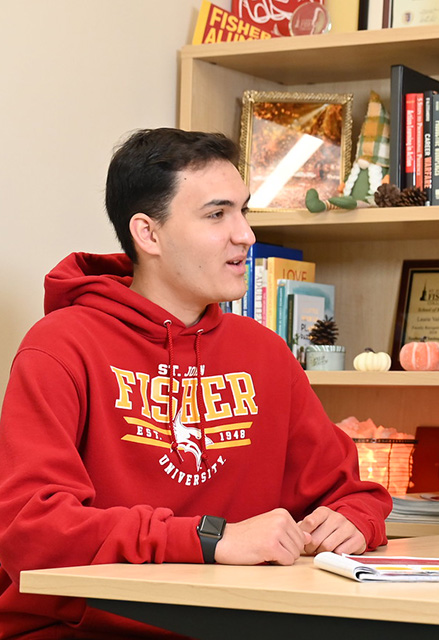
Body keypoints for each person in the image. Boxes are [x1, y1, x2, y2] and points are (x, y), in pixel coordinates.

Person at [0, 128, 393, 638]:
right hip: (88, 629)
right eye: (217, 214)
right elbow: (31, 529)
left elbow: (353, 494)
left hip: (236, 625)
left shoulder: (265, 353)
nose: (245, 234)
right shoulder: (60, 347)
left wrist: (353, 522)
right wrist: (212, 540)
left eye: (244, 211)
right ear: (148, 234)